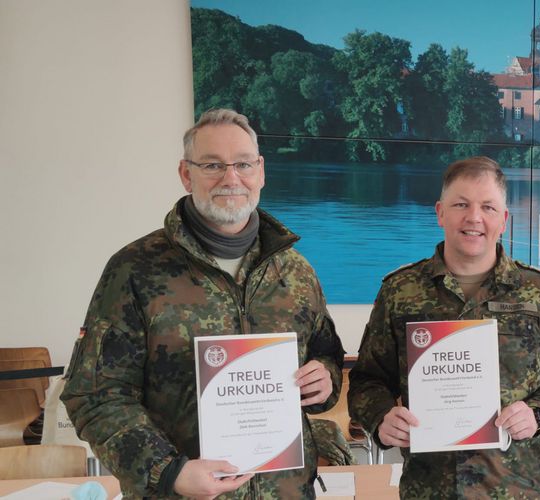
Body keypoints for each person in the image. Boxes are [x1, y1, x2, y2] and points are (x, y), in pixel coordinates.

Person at [61, 108, 345, 499]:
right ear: (185, 173)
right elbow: (94, 395)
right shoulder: (135, 269)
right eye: (212, 165)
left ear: (260, 170)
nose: (231, 178)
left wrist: (325, 379)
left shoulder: (294, 270)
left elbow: (325, 355)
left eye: (243, 164)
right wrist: (168, 472)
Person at [348, 156, 540, 498]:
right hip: (429, 489)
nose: (474, 217)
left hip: (518, 489)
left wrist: (539, 413)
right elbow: (366, 380)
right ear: (440, 213)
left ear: (504, 219)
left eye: (488, 207)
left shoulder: (538, 292)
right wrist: (380, 417)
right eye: (461, 204)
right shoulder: (401, 291)